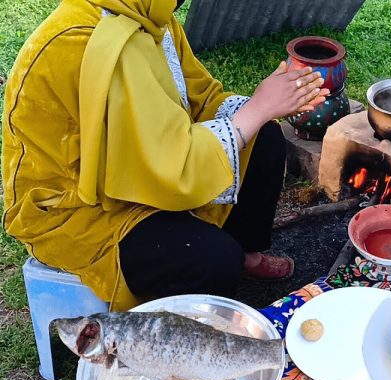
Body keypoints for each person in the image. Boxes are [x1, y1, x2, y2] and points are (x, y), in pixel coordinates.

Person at [1, 0, 330, 310]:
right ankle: (190, 342)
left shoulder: (149, 15)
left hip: (143, 168)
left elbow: (198, 97)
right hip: (81, 211)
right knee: (212, 258)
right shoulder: (91, 46)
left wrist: (267, 105)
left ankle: (246, 253)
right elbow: (164, 169)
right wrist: (258, 108)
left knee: (265, 135)